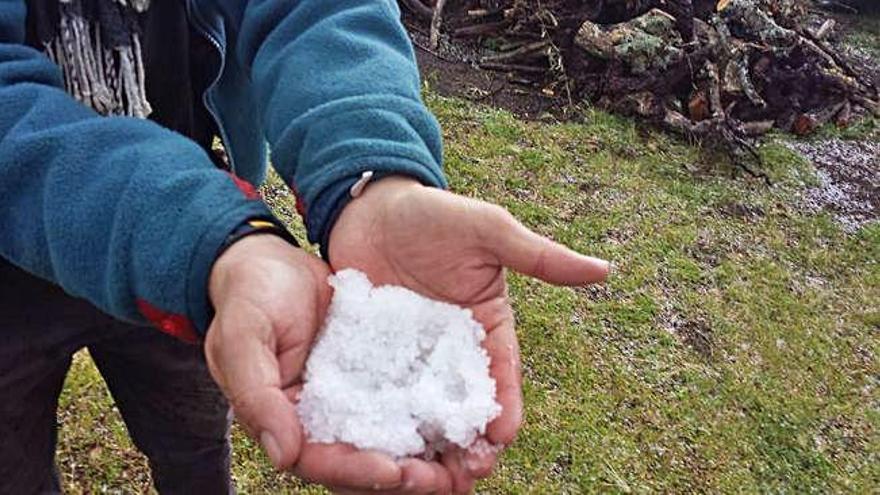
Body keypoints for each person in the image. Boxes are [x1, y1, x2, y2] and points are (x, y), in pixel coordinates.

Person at [0, 0, 610, 493]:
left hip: (192, 269)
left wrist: (370, 170)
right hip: (18, 280)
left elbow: (313, 9)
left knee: (192, 437)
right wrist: (206, 234)